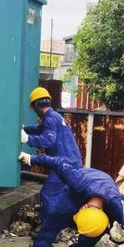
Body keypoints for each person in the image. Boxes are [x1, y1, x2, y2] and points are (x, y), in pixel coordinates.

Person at [16, 152, 124, 247]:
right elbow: (57, 163)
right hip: (77, 191)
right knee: (57, 214)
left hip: (101, 188)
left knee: (96, 229)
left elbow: (120, 226)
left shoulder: (114, 206)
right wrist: (32, 158)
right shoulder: (76, 179)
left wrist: (119, 237)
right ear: (84, 207)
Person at [20, 87, 82, 233]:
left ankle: (47, 230)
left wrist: (28, 139)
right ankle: (59, 225)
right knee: (61, 196)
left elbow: (47, 140)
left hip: (65, 165)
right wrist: (24, 129)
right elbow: (39, 128)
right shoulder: (54, 116)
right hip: (71, 162)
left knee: (48, 194)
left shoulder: (50, 119)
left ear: (36, 105)